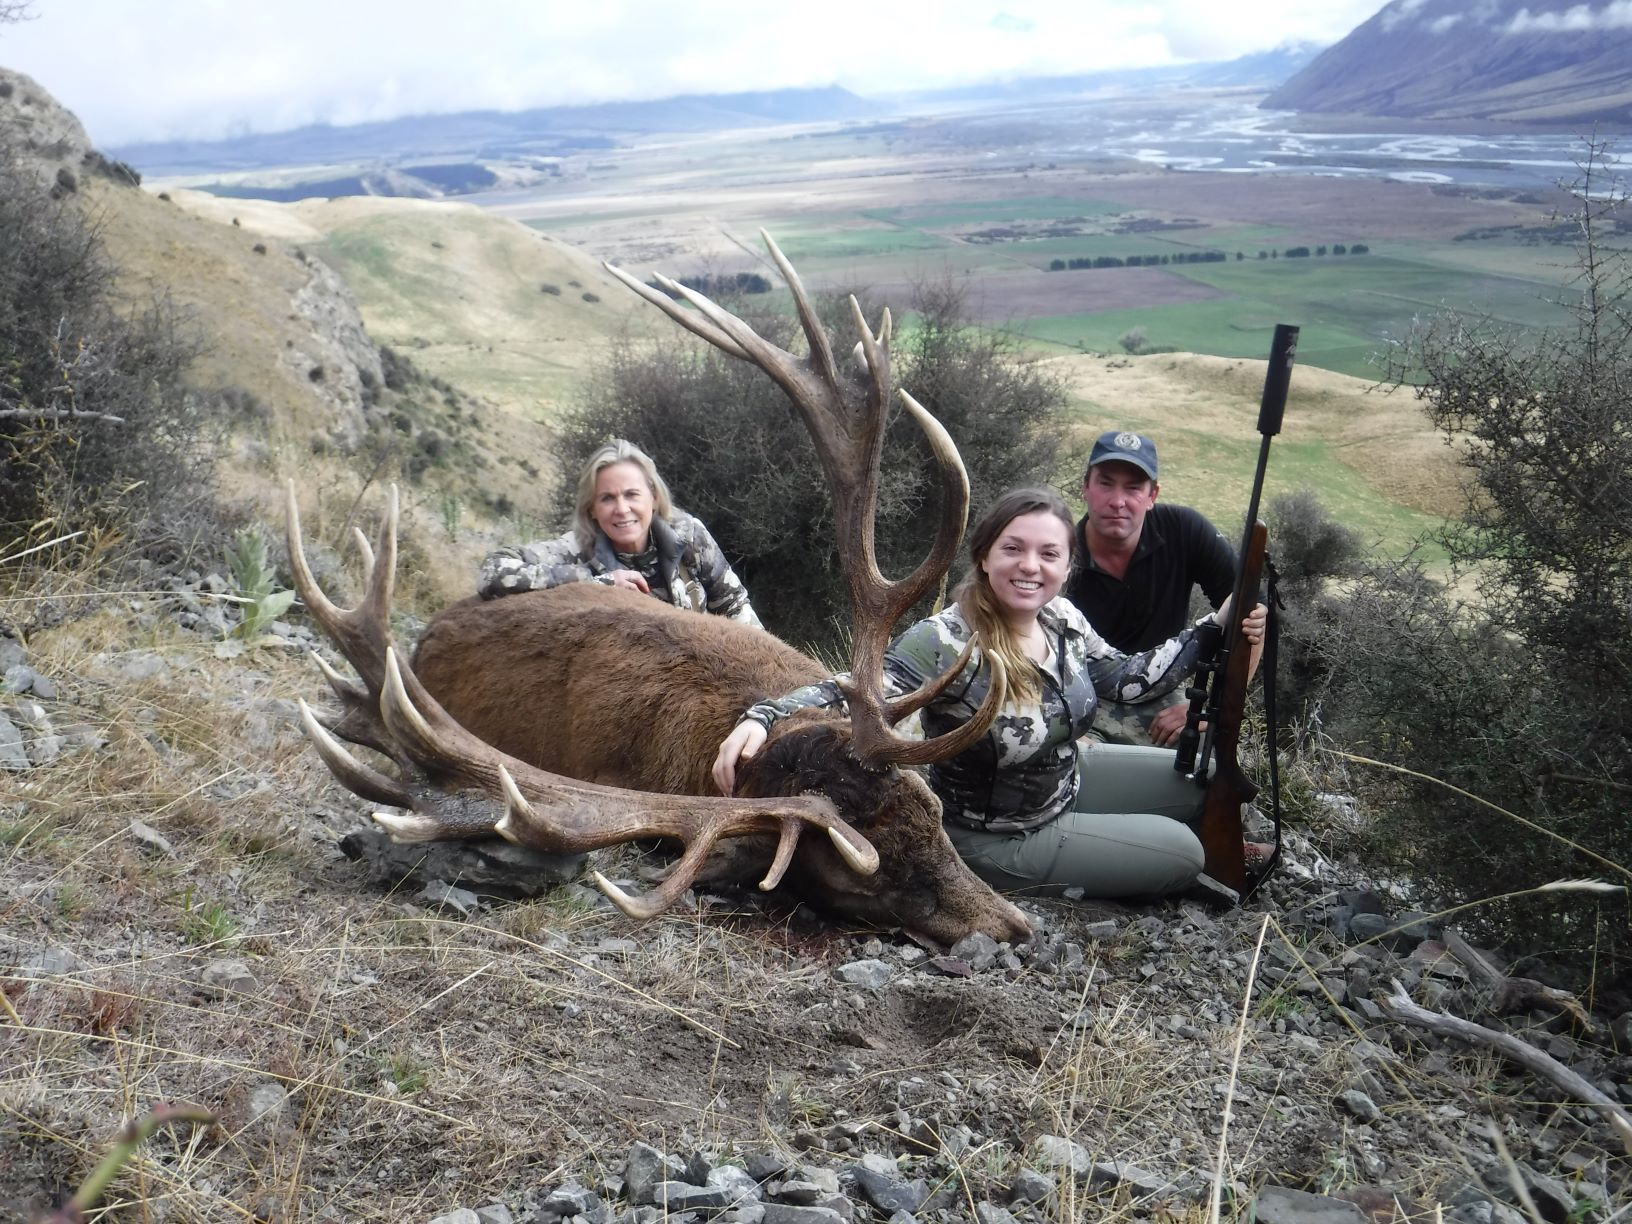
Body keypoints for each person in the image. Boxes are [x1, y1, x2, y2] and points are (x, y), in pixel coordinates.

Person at [711, 487, 1263, 899]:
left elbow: (1127, 679)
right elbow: (857, 692)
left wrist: (1219, 621)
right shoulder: (944, 641)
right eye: (1014, 549)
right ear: (983, 555)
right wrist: (764, 716)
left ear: (1068, 565)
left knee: (1204, 781)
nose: (1030, 566)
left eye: (1049, 554)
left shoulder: (1061, 618)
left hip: (1065, 781)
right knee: (1184, 851)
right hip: (996, 838)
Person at [1063, 430, 1263, 748]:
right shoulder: (1058, 558)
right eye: (1105, 483)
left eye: (1133, 488)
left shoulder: (1185, 529)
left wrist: (1210, 707)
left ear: (1152, 495)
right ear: (1085, 487)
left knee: (1206, 752)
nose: (1118, 501)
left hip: (1164, 696)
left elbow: (1251, 613)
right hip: (1085, 696)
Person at [477, 438, 760, 625]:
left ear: (654, 497)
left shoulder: (689, 536)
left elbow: (735, 606)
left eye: (632, 494)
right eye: (607, 498)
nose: (622, 509)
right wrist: (594, 582)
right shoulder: (575, 549)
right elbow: (492, 572)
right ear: (591, 509)